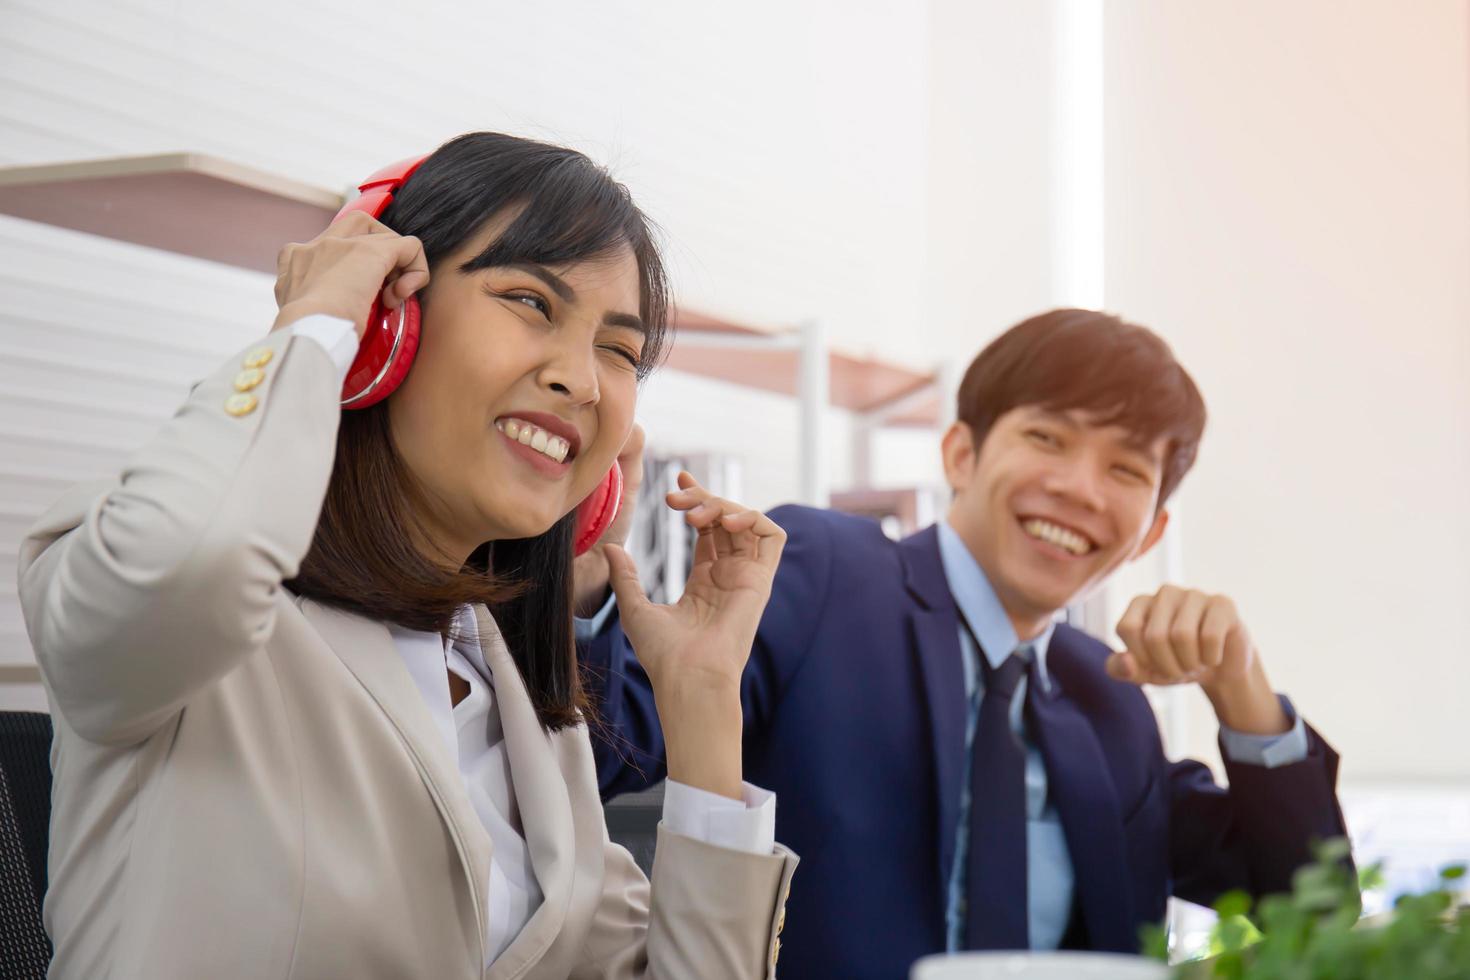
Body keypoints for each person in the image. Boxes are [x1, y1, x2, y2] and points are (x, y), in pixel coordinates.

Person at [18, 132, 797, 979]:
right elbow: (196, 557)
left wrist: (705, 699)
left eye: (617, 349)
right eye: (532, 302)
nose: (580, 377)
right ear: (393, 321)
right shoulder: (176, 617)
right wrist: (314, 328)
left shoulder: (524, 711)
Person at [579, 309, 1350, 979]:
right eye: (1048, 438)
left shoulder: (1110, 699)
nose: (1080, 489)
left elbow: (1312, 907)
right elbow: (602, 745)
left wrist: (1242, 688)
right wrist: (582, 573)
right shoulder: (824, 572)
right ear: (960, 454)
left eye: (1124, 468)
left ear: (1149, 532)